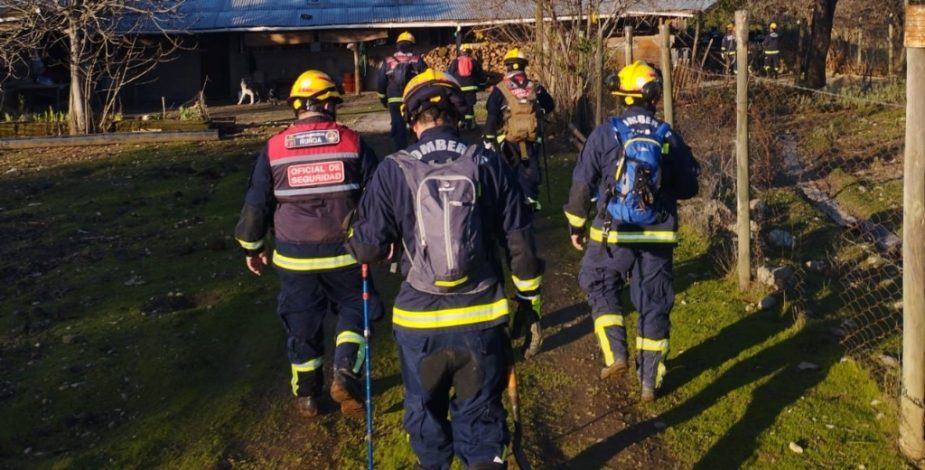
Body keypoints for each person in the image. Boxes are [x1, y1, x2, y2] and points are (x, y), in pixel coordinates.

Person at [348, 69, 544, 470]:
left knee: (426, 418)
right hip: (481, 320)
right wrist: (527, 301)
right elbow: (519, 240)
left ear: (411, 117)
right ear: (459, 113)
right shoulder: (487, 161)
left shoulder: (392, 169)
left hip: (419, 325)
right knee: (482, 423)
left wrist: (353, 233)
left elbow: (367, 249)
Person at [234, 70, 383, 418]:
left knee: (301, 324)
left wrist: (251, 247)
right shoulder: (353, 142)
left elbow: (257, 202)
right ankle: (345, 371)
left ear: (298, 107)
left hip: (294, 259)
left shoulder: (273, 147)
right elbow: (379, 197)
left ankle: (307, 396)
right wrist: (379, 239)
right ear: (330, 103)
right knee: (358, 310)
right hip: (346, 255)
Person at [563, 61, 700, 402]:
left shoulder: (606, 132)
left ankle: (616, 355)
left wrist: (577, 224)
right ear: (653, 96)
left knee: (597, 280)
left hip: (615, 231)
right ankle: (649, 381)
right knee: (654, 301)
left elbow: (583, 181)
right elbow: (688, 187)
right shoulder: (667, 134)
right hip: (658, 234)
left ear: (622, 96)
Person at [484, 47, 555, 211]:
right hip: (531, 137)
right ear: (524, 66)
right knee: (529, 166)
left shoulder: (501, 88)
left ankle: (510, 201)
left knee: (508, 168)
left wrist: (488, 136)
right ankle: (530, 198)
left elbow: (492, 111)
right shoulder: (534, 86)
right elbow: (549, 105)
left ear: (507, 66)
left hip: (507, 139)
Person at [377, 31, 428, 152]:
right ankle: (417, 149)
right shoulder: (417, 60)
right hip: (412, 98)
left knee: (397, 125)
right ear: (412, 45)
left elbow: (381, 81)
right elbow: (427, 78)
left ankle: (400, 151)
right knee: (415, 122)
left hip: (394, 99)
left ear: (397, 45)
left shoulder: (388, 61)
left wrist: (383, 98)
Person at [446, 44, 486, 129]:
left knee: (458, 104)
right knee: (470, 106)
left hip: (458, 87)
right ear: (470, 52)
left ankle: (460, 122)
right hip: (471, 87)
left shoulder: (455, 62)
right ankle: (470, 124)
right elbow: (480, 75)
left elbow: (449, 73)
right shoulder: (474, 62)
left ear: (461, 52)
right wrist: (482, 83)